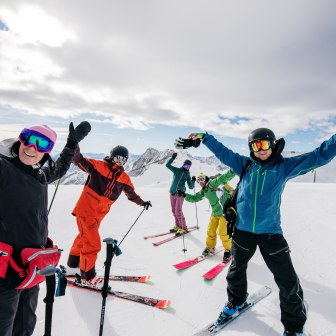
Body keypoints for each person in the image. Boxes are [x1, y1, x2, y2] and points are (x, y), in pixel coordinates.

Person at [175, 128, 336, 336]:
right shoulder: (245, 165)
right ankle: (236, 302)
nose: (261, 149)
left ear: (273, 145)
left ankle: (294, 326)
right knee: (236, 271)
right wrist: (205, 138)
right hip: (243, 232)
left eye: (265, 144)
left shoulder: (283, 167)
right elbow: (223, 152)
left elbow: (319, 155)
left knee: (287, 280)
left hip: (270, 233)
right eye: (256, 145)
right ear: (251, 147)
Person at [0, 121, 91, 336]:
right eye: (28, 139)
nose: (32, 148)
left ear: (46, 151)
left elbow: (59, 168)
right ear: (21, 139)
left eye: (41, 145)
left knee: (25, 324)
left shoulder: (39, 173)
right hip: (6, 269)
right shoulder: (4, 168)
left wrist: (71, 144)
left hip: (32, 264)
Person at [65, 145, 152, 289]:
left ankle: (72, 266)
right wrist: (74, 144)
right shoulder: (99, 166)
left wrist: (142, 203)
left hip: (98, 215)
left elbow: (131, 194)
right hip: (86, 210)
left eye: (123, 160)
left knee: (83, 238)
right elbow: (79, 160)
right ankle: (88, 277)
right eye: (118, 158)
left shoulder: (124, 178)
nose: (120, 162)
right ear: (112, 156)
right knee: (93, 244)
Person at [178, 170, 235, 262]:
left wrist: (232, 171)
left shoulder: (214, 183)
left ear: (206, 178)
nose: (201, 182)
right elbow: (195, 198)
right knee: (210, 231)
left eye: (202, 179)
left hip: (224, 213)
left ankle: (229, 249)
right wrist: (184, 195)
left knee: (223, 232)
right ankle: (210, 247)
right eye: (198, 181)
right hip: (215, 213)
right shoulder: (204, 190)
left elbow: (223, 178)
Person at [166, 152, 195, 235]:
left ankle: (183, 228)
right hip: (172, 193)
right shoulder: (176, 170)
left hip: (180, 194)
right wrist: (172, 158)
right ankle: (178, 226)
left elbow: (191, 187)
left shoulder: (187, 175)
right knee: (173, 211)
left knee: (178, 211)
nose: (187, 167)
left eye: (188, 166)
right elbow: (167, 165)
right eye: (186, 165)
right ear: (183, 164)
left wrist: (192, 181)